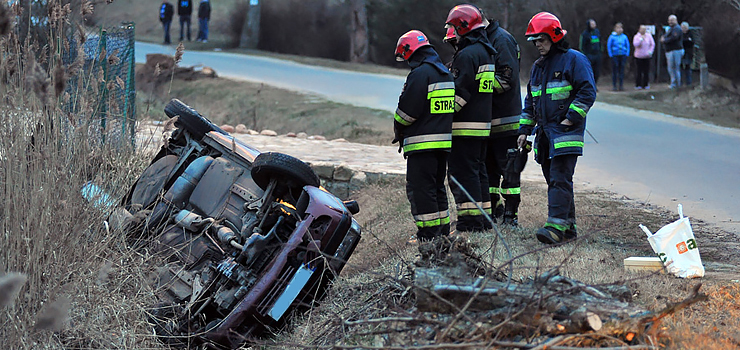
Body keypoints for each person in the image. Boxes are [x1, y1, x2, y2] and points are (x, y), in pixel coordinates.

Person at [518, 12, 596, 244]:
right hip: (545, 134)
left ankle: (554, 228)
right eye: (535, 41)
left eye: (541, 40)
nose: (538, 45)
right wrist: (524, 129)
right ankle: (569, 227)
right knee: (555, 179)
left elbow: (587, 91)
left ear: (554, 36)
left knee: (560, 178)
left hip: (565, 133)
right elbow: (531, 100)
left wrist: (571, 118)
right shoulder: (538, 67)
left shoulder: (574, 59)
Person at [393, 30, 455, 241]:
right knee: (437, 188)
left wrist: (398, 126)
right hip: (442, 144)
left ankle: (428, 237)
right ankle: (442, 234)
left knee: (421, 190)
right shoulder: (444, 73)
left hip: (422, 145)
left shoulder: (420, 74)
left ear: (411, 52)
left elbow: (407, 112)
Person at [445, 4, 496, 232]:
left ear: (464, 28)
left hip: (464, 126)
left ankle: (470, 222)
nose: (453, 33)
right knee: (478, 172)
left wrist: (441, 115)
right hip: (482, 124)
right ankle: (484, 218)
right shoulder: (486, 52)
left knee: (462, 174)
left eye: (454, 28)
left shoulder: (466, 55)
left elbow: (461, 93)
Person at [480, 9, 523, 226]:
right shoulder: (485, 39)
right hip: (489, 121)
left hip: (505, 121)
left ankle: (510, 215)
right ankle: (493, 210)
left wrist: (477, 85)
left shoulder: (501, 40)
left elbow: (507, 80)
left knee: (509, 172)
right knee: (489, 172)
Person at [661, 15, 684, 89]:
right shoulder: (671, 29)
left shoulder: (677, 28)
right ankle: (673, 83)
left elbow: (674, 38)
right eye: (669, 20)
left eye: (672, 20)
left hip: (675, 50)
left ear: (676, 20)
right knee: (671, 68)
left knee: (675, 68)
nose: (670, 22)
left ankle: (676, 84)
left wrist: (665, 40)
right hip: (670, 51)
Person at [607, 22, 629, 91]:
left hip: (622, 55)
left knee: (621, 71)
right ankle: (614, 85)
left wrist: (626, 53)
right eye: (618, 28)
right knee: (615, 71)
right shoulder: (612, 37)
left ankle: (621, 85)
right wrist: (610, 54)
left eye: (621, 28)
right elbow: (609, 46)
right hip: (615, 55)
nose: (620, 29)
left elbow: (627, 45)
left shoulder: (624, 36)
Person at [579, 19, 602, 87]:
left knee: (597, 72)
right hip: (589, 55)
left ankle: (595, 85)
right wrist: (585, 55)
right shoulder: (585, 34)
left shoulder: (597, 32)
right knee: (589, 72)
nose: (594, 25)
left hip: (597, 55)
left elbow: (600, 42)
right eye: (592, 24)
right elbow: (582, 46)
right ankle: (590, 85)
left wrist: (600, 51)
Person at [633, 25, 655, 89]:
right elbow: (635, 44)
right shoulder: (636, 36)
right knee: (639, 71)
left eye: (644, 29)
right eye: (642, 29)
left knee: (646, 71)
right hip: (638, 56)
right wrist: (641, 39)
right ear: (639, 30)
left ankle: (646, 84)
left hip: (647, 56)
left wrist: (650, 51)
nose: (643, 31)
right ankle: (638, 84)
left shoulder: (649, 36)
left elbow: (652, 44)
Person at [681, 21, 694, 86]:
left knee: (688, 67)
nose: (683, 29)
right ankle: (680, 82)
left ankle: (689, 82)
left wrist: (686, 41)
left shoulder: (690, 34)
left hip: (688, 53)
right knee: (680, 67)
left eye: (685, 27)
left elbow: (691, 42)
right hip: (681, 52)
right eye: (682, 27)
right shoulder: (680, 34)